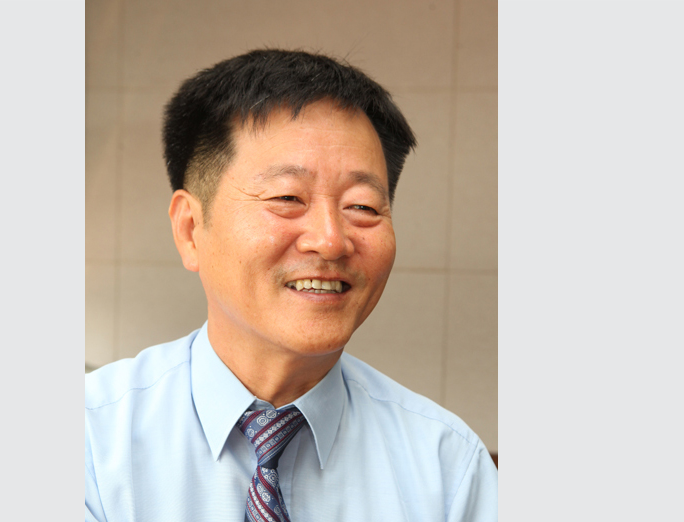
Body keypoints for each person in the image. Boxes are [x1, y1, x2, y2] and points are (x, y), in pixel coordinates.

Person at [85, 49, 497, 522]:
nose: (330, 240)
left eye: (363, 206)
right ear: (190, 229)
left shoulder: (448, 471)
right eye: (287, 197)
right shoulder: (93, 440)